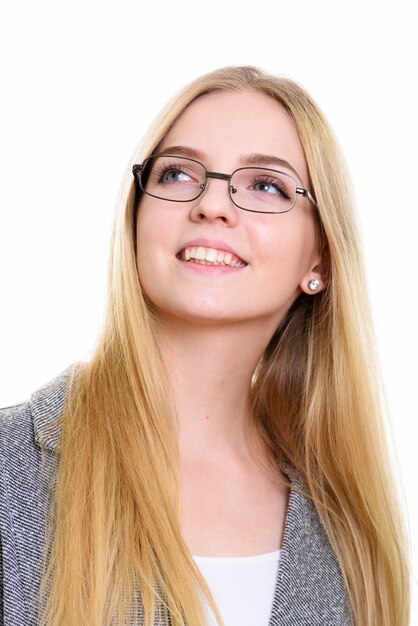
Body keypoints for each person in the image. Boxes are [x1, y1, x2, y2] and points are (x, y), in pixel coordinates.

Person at [0, 66, 410, 626]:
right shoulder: (12, 463)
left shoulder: (345, 527)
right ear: (137, 218)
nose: (212, 205)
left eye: (265, 184)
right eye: (176, 175)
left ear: (320, 259)